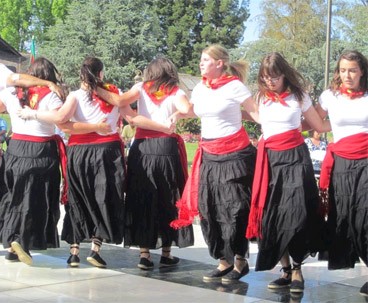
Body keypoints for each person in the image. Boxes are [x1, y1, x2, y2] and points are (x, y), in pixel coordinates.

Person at [18, 56, 176, 268]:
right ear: (100, 74)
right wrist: (98, 127)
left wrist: (32, 113)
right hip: (106, 153)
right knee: (103, 198)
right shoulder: (114, 94)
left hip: (79, 153)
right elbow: (130, 117)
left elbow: (62, 123)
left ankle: (74, 253)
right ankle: (95, 249)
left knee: (78, 199)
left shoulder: (74, 96)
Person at [170, 44, 259, 284]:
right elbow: (193, 111)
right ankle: (223, 261)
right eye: (201, 59)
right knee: (210, 209)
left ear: (219, 64)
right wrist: (178, 114)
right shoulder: (200, 87)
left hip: (235, 156)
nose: (201, 63)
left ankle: (239, 259)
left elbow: (256, 113)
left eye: (205, 59)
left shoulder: (235, 86)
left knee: (235, 210)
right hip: (209, 154)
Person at [0, 30, 62, 255]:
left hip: (15, 147)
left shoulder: (9, 93)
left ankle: (7, 237)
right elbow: (16, 81)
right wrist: (46, 83)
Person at [96, 56, 194, 270]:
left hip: (142, 148)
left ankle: (144, 254)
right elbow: (187, 110)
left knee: (142, 196)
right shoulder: (176, 92)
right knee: (168, 197)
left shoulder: (140, 88)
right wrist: (175, 115)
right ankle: (166, 252)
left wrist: (96, 86)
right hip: (166, 149)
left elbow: (120, 102)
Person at [246, 52, 331, 293]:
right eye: (265, 77)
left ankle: (297, 268)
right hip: (269, 160)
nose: (270, 81)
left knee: (296, 213)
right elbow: (249, 115)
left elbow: (317, 125)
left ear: (284, 74)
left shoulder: (299, 96)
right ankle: (285, 270)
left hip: (295, 158)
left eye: (274, 76)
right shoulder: (260, 98)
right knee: (272, 215)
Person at [315, 50, 368, 296]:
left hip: (367, 161)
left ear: (362, 72)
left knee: (364, 218)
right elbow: (314, 121)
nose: (347, 75)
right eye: (343, 70)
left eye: (353, 70)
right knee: (346, 217)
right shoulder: (330, 96)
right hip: (342, 165)